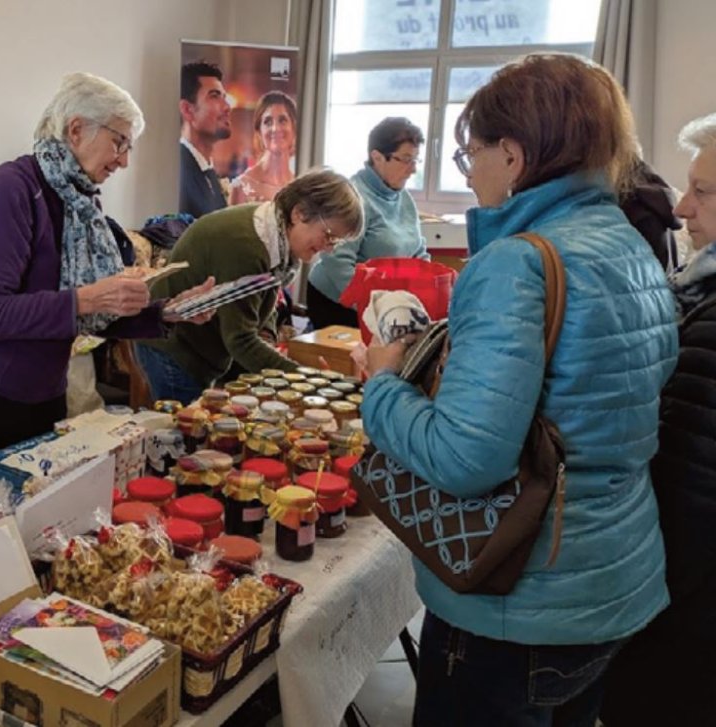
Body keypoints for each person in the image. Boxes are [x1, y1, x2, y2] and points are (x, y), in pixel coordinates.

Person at [359, 54, 677, 726]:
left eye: (469, 151)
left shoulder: (516, 260)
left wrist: (383, 382)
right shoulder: (628, 244)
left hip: (519, 596)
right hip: (614, 576)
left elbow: (466, 458)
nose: (466, 169)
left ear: (513, 153)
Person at [0, 72, 214, 480]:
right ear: (76, 129)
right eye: (120, 142)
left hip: (42, 386)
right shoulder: (9, 190)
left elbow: (90, 312)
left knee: (43, 518)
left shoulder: (77, 198)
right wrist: (88, 298)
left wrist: (167, 313)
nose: (124, 161)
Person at [600, 113, 716, 727]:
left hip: (678, 618)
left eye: (703, 191)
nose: (680, 209)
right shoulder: (698, 288)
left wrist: (628, 608)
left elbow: (689, 497)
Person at [136, 169, 364, 404]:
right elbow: (240, 339)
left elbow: (264, 300)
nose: (329, 248)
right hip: (175, 348)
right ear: (299, 213)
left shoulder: (278, 237)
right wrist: (306, 378)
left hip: (206, 347)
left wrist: (266, 334)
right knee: (184, 433)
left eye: (336, 242)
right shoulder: (248, 245)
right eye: (328, 235)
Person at [306, 117, 429, 330]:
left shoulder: (403, 197)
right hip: (340, 301)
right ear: (377, 157)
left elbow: (418, 253)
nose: (413, 170)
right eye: (406, 159)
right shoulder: (353, 197)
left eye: (416, 160)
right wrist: (375, 307)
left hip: (386, 304)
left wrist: (425, 287)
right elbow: (338, 263)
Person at [179, 60, 231, 218]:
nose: (227, 107)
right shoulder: (179, 170)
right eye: (215, 96)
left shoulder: (208, 171)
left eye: (224, 97)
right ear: (188, 110)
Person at [229, 91, 298, 204]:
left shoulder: (299, 188)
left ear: (294, 128)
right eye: (268, 122)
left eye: (282, 120)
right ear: (259, 132)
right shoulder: (242, 187)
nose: (275, 128)